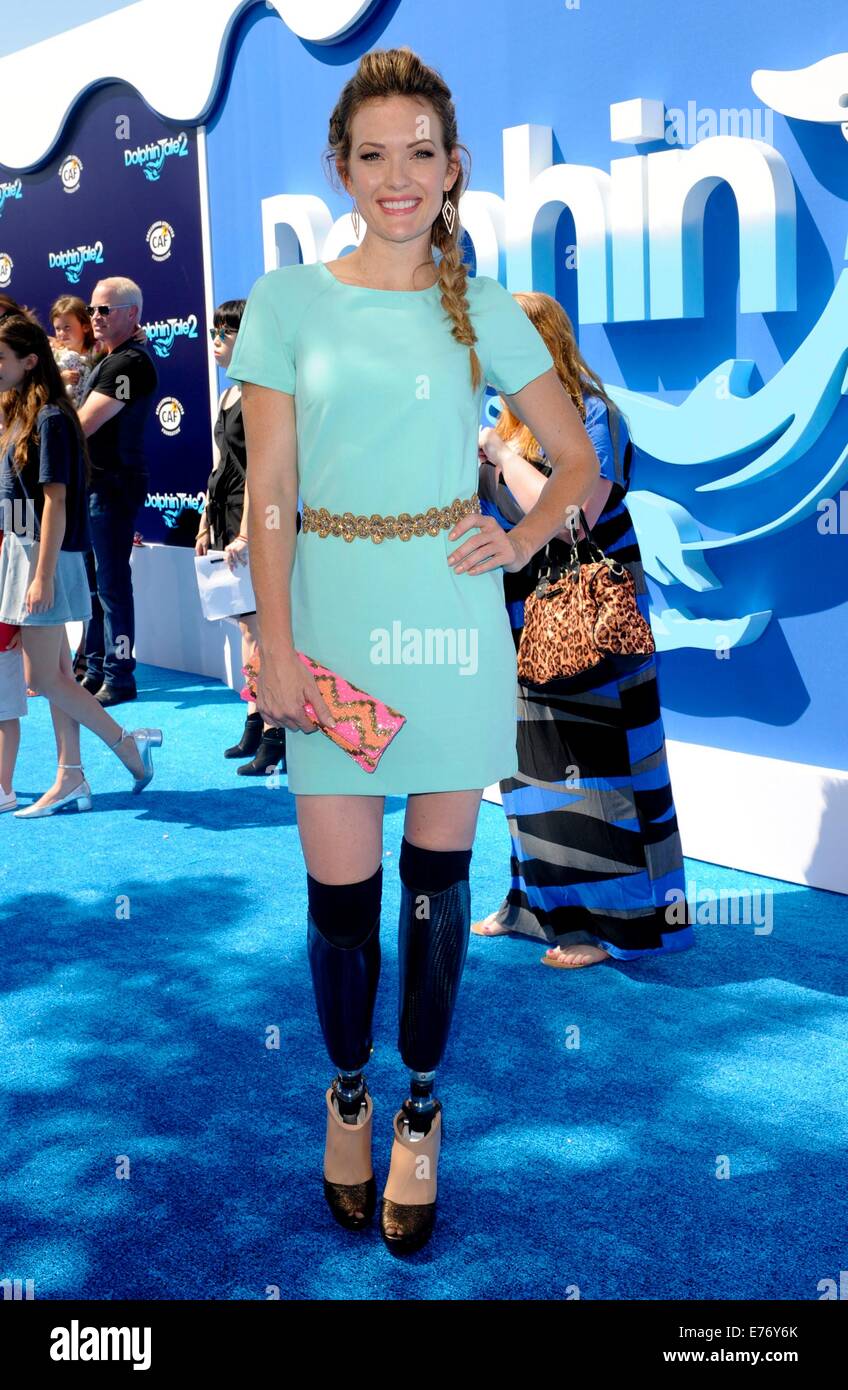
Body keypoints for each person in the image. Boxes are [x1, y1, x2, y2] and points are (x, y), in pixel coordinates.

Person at [226, 46, 599, 1254]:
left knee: (434, 894)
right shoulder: (286, 304)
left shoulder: (483, 307)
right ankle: (346, 1088)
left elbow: (577, 460)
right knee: (341, 901)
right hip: (327, 625)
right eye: (373, 154)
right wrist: (273, 644)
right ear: (341, 167)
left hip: (445, 631)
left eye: (419, 153)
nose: (398, 177)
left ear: (453, 168)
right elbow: (268, 488)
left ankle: (421, 1114)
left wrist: (523, 528)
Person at [473, 292, 694, 966]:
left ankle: (617, 923)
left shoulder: (593, 416)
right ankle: (539, 905)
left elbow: (575, 518)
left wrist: (499, 456)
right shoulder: (506, 423)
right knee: (530, 765)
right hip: (519, 614)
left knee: (601, 764)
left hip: (589, 617)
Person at [0, 312, 162, 815]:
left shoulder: (50, 418)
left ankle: (127, 744)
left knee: (45, 679)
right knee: (58, 677)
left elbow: (56, 501)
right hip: (20, 551)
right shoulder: (21, 414)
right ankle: (71, 775)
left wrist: (42, 574)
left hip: (41, 557)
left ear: (29, 362)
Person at [195, 301, 288, 775]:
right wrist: (204, 522)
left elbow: (262, 471)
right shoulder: (230, 394)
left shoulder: (258, 392)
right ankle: (256, 721)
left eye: (225, 332)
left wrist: (248, 531)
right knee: (247, 629)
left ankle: (274, 732)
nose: (215, 340)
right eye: (213, 331)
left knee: (261, 631)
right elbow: (222, 463)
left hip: (253, 520)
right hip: (224, 512)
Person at [76, 276, 158, 706]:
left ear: (131, 314)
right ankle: (94, 669)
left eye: (104, 310)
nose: (95, 318)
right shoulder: (106, 361)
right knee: (92, 583)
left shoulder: (130, 365)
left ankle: (119, 674)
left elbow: (85, 422)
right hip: (93, 484)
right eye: (92, 310)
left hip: (113, 485)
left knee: (110, 583)